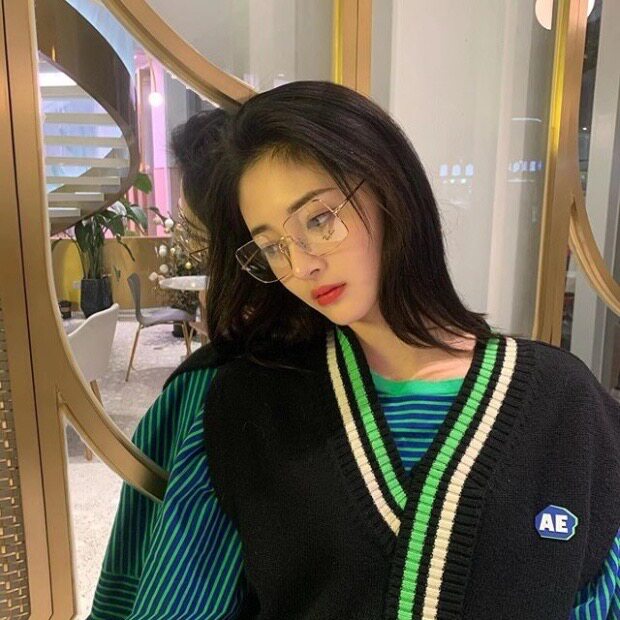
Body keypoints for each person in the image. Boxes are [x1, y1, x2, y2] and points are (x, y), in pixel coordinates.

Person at [88, 81, 620, 620]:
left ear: (389, 186)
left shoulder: (565, 403)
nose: (302, 265)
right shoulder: (251, 402)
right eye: (272, 246)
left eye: (319, 219)